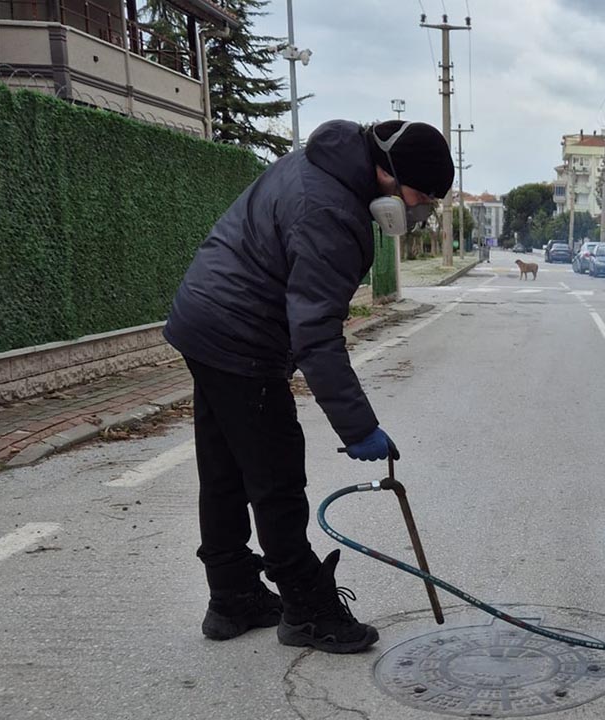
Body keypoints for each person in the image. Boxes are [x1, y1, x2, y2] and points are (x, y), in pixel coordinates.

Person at [164, 120, 454, 654]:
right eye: (420, 198)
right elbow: (317, 335)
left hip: (202, 319)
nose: (419, 212)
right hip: (239, 336)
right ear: (389, 174)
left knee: (227, 468)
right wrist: (359, 427)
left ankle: (231, 597)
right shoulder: (332, 213)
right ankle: (307, 609)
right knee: (275, 475)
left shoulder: (322, 166)